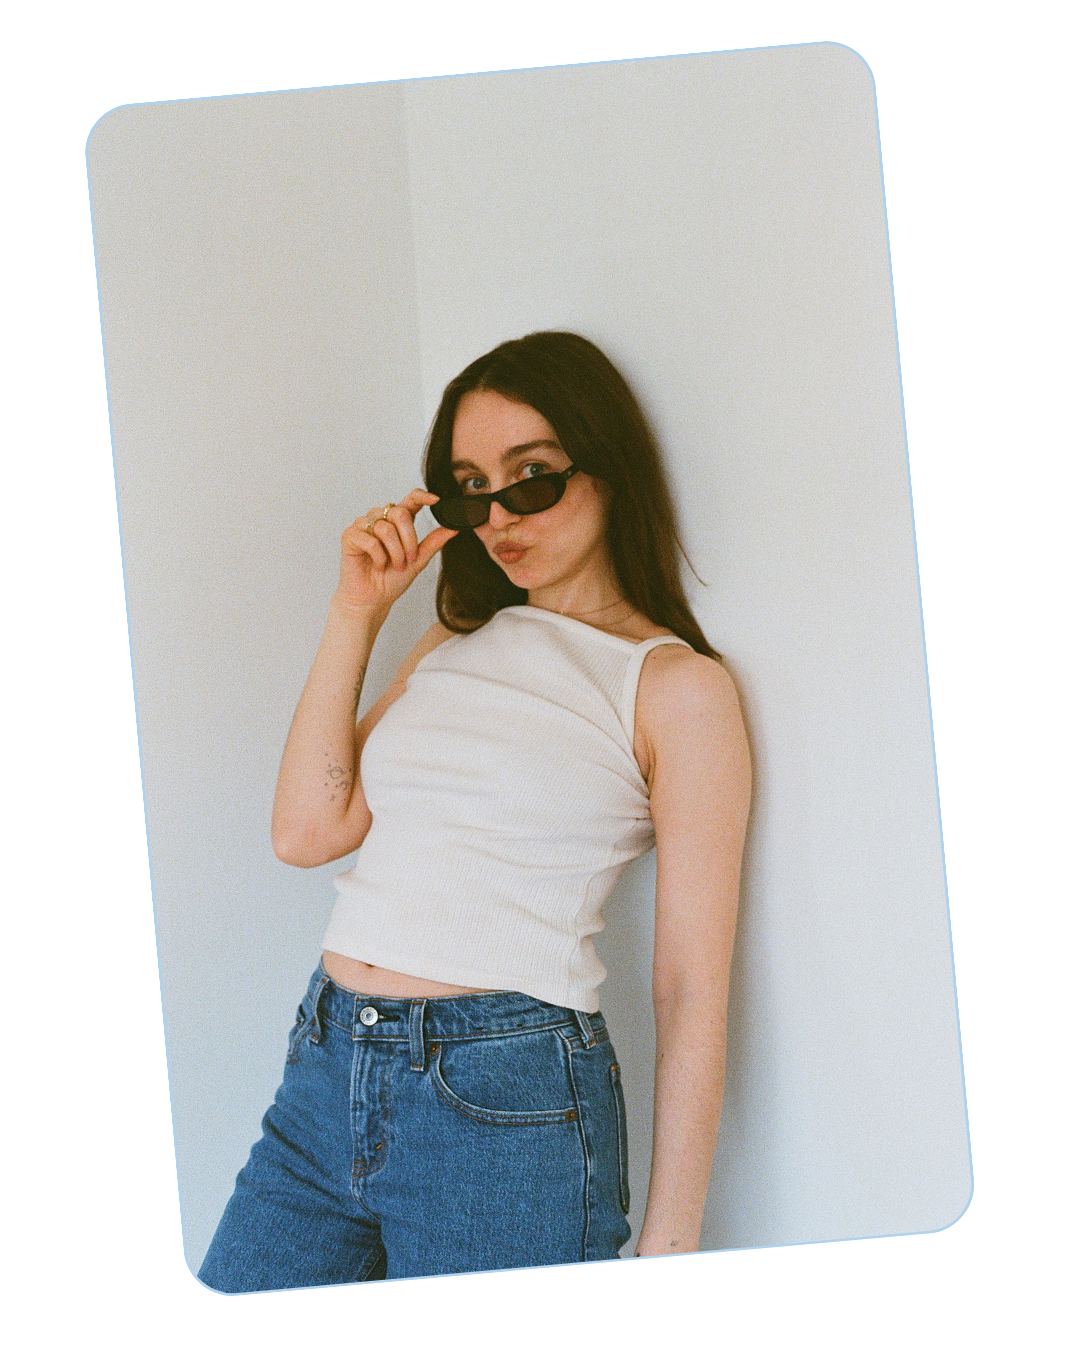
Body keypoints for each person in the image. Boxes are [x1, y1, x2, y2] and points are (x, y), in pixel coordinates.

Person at [197, 331, 751, 1291]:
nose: (499, 514)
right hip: (328, 1067)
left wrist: (673, 1240)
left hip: (505, 1098)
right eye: (469, 488)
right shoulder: (453, 643)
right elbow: (306, 831)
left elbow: (693, 987)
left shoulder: (671, 687)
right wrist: (356, 614)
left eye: (531, 477)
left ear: (607, 465)